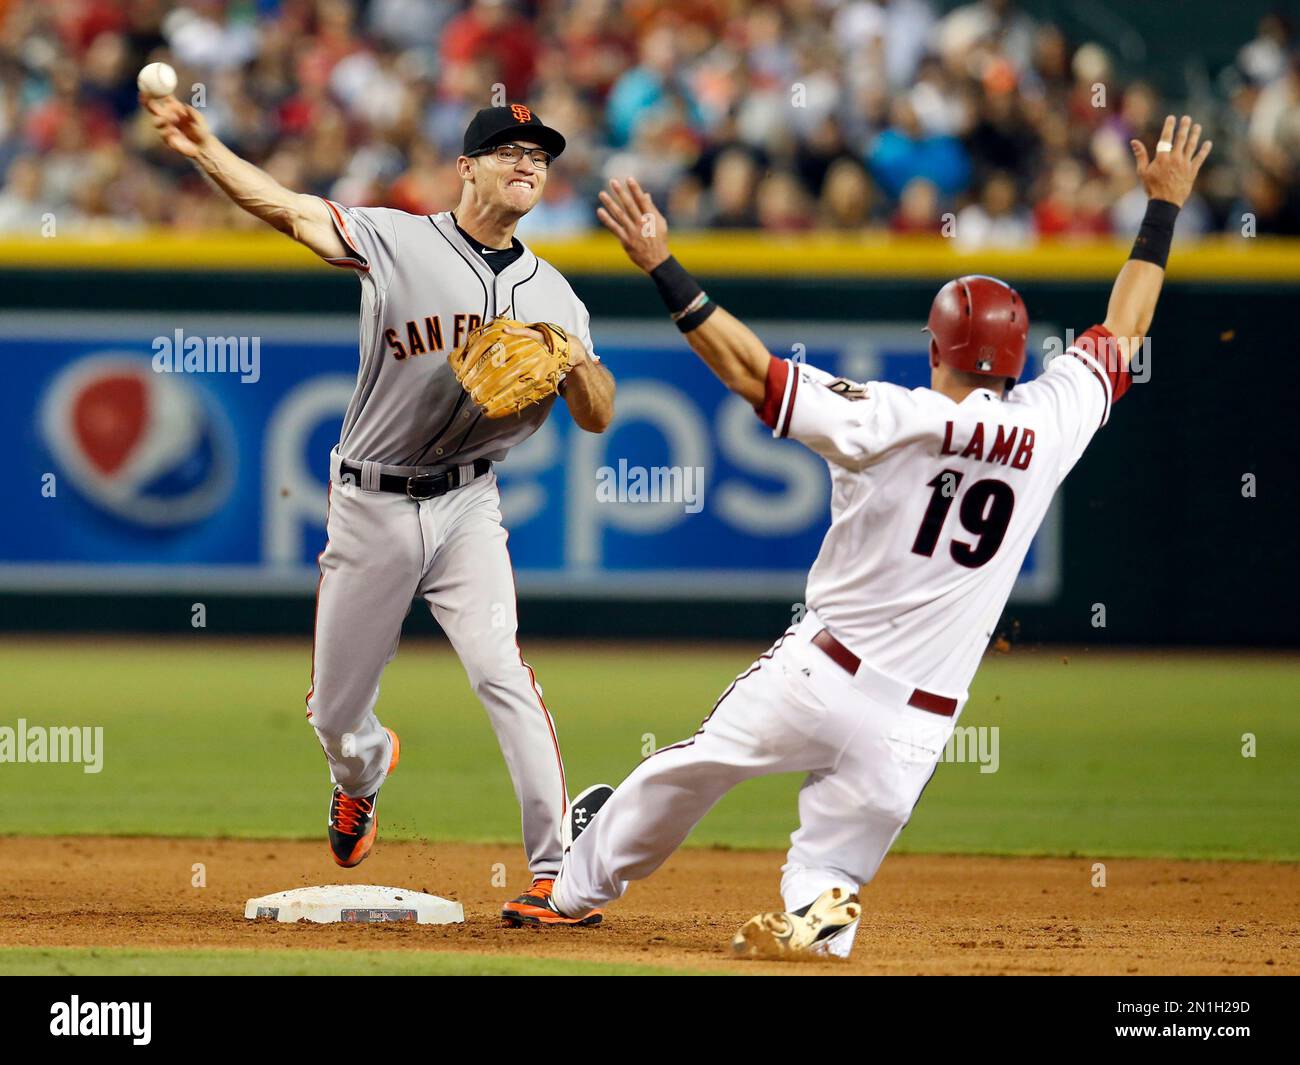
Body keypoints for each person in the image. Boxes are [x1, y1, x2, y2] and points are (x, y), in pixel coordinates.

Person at [510, 116, 1211, 957]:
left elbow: (749, 371)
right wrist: (1163, 209)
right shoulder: (1053, 418)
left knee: (685, 771)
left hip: (820, 671)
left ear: (937, 347)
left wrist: (662, 263)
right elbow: (1125, 331)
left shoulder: (895, 414)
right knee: (828, 860)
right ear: (1018, 359)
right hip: (920, 723)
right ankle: (825, 908)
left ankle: (575, 888)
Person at [143, 95, 616, 926]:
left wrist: (574, 360)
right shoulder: (399, 241)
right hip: (371, 499)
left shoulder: (558, 294)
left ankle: (555, 871)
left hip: (470, 501)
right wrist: (203, 145)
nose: (528, 164)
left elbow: (600, 412)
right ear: (465, 167)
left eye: (539, 155)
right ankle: (362, 771)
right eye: (508, 150)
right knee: (333, 711)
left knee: (501, 668)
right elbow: (285, 207)